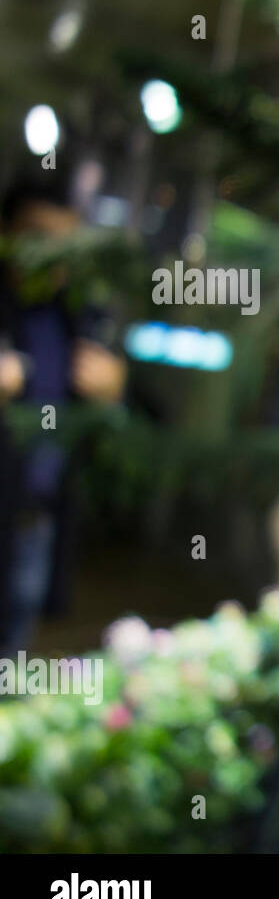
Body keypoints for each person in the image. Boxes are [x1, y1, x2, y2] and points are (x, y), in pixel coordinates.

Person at [0, 181, 126, 654]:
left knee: (13, 647)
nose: (49, 254)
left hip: (37, 518)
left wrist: (115, 391)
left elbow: (132, 434)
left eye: (63, 242)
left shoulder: (80, 316)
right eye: (36, 236)